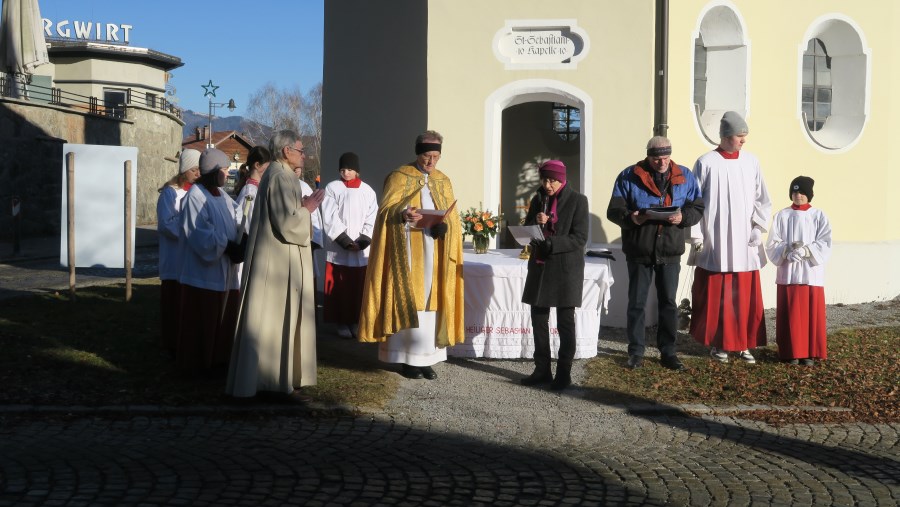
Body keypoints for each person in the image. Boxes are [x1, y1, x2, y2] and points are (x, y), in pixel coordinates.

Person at [226, 130, 325, 400]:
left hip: (279, 258)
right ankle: (273, 382)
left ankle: (276, 379)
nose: (304, 156)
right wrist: (307, 209)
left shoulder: (280, 174)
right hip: (277, 262)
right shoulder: (280, 176)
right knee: (274, 322)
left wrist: (301, 207)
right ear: (286, 151)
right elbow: (286, 223)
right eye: (301, 150)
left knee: (274, 321)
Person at [358, 130, 464, 380]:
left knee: (430, 300)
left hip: (434, 251)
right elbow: (385, 212)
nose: (431, 161)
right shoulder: (399, 176)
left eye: (436, 157)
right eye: (427, 156)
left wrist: (444, 227)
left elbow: (453, 218)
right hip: (405, 249)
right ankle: (406, 358)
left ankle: (426, 358)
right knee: (409, 298)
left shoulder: (443, 181)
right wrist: (401, 214)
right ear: (418, 153)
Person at [607, 137, 704, 371]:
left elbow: (698, 206)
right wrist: (631, 218)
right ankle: (636, 352)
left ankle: (668, 352)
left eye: (666, 158)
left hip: (670, 249)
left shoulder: (685, 176)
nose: (662, 163)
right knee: (637, 303)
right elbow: (614, 210)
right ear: (648, 156)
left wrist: (683, 217)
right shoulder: (628, 176)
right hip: (639, 249)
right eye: (656, 159)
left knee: (668, 303)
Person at [688, 111, 772, 363]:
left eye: (745, 136)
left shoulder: (751, 162)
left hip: (745, 242)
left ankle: (744, 343)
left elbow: (763, 198)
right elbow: (694, 201)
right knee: (719, 297)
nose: (744, 140)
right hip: (716, 240)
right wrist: (696, 236)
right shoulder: (706, 162)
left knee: (744, 297)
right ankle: (720, 344)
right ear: (726, 136)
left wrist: (758, 226)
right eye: (739, 136)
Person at [520, 160, 589, 390]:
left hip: (565, 270)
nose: (548, 185)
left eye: (552, 180)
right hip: (540, 268)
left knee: (565, 323)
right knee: (538, 319)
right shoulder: (538, 199)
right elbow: (528, 228)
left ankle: (563, 373)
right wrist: (536, 222)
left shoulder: (578, 201)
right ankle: (542, 370)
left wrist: (551, 240)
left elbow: (579, 238)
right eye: (544, 180)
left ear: (562, 179)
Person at [176, 148, 242, 377]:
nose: (228, 173)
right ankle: (199, 364)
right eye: (224, 169)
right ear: (213, 172)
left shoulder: (221, 195)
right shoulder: (196, 196)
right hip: (203, 275)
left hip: (225, 271)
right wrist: (228, 246)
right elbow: (200, 234)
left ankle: (220, 359)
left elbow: (237, 217)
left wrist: (242, 238)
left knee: (223, 321)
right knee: (203, 322)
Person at [765, 176, 832, 365]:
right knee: (791, 313)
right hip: (789, 272)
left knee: (811, 314)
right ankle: (791, 352)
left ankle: (809, 353)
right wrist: (786, 252)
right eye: (795, 192)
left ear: (809, 194)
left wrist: (806, 251)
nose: (798, 195)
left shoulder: (819, 216)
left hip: (810, 273)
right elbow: (772, 243)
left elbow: (825, 241)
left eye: (802, 192)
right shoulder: (782, 215)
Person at [320, 152, 378, 339]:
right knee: (339, 288)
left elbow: (372, 217)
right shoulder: (332, 188)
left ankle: (354, 321)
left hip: (360, 249)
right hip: (339, 247)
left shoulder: (368, 191)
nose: (346, 173)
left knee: (357, 287)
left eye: (350, 169)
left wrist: (363, 240)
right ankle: (341, 321)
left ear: (357, 171)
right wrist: (344, 240)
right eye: (343, 169)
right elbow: (329, 216)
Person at [156, 148, 200, 357]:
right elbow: (166, 224)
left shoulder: (196, 192)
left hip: (188, 258)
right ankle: (171, 343)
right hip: (173, 258)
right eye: (194, 170)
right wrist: (188, 227)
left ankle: (184, 341)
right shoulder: (170, 193)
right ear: (184, 170)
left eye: (199, 169)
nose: (198, 173)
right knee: (172, 303)